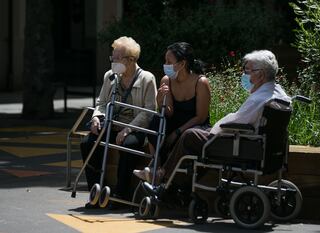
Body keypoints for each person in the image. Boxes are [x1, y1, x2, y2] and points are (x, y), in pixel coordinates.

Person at [134, 49, 290, 185]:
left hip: (241, 145)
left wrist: (213, 130)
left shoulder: (258, 99)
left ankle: (162, 174)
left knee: (190, 135)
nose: (244, 74)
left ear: (261, 75)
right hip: (259, 144)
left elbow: (235, 122)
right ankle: (167, 175)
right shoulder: (279, 94)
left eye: (247, 71)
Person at [80, 36, 157, 208]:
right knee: (88, 143)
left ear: (130, 60)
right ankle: (96, 191)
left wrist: (127, 130)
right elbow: (101, 103)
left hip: (135, 128)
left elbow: (148, 112)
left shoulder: (146, 78)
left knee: (129, 145)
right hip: (112, 124)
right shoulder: (110, 76)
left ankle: (120, 193)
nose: (113, 61)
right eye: (112, 57)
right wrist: (95, 118)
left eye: (117, 58)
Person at [143, 42, 211, 172]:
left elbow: (201, 117)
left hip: (194, 126)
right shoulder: (166, 80)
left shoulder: (200, 82)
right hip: (174, 122)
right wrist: (160, 99)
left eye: (169, 61)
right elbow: (168, 113)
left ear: (182, 64)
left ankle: (162, 172)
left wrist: (177, 132)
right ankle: (155, 166)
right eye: (165, 61)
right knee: (157, 120)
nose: (165, 65)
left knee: (183, 135)